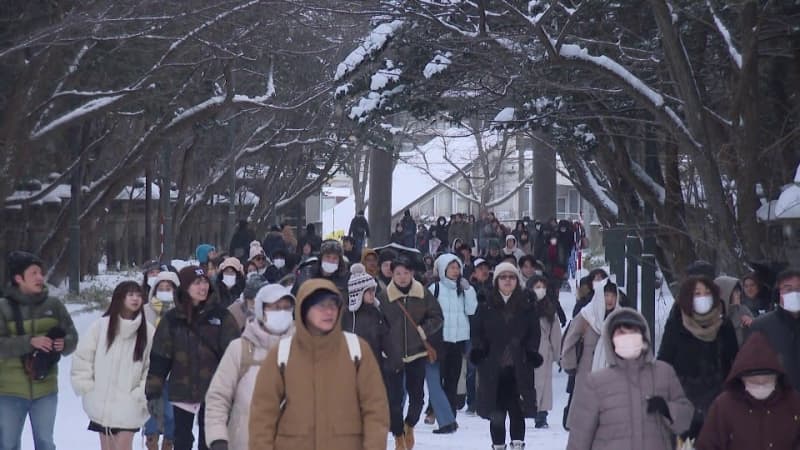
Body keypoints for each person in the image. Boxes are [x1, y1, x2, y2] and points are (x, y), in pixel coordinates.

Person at [248, 280, 389, 450]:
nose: (329, 311)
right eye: (321, 306)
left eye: (333, 305)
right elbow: (263, 415)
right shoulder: (282, 353)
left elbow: (375, 409)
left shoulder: (357, 350)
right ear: (304, 308)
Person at [566, 308, 693, 450]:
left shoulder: (664, 373)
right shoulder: (596, 383)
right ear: (611, 340)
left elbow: (686, 419)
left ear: (643, 336)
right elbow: (580, 438)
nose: (627, 338)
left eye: (633, 333)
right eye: (621, 333)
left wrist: (668, 409)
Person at [146, 266, 240, 450]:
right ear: (185, 287)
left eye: (205, 282)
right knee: (182, 441)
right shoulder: (172, 319)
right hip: (182, 388)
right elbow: (160, 357)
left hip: (214, 391)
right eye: (197, 283)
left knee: (209, 441)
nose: (202, 287)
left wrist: (236, 387)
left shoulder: (222, 316)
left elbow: (235, 354)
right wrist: (153, 391)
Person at [0, 251, 78, 450]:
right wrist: (30, 342)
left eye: (40, 273)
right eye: (33, 273)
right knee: (8, 444)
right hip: (9, 390)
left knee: (45, 442)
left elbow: (72, 336)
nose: (40, 277)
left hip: (45, 388)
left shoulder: (54, 305)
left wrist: (65, 344)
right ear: (19, 278)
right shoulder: (3, 307)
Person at [205, 284, 295, 450]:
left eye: (286, 308)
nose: (281, 312)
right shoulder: (240, 349)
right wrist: (218, 438)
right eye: (275, 308)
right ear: (261, 309)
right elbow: (218, 397)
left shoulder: (302, 350)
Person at [71, 281, 155, 450]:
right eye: (130, 295)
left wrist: (140, 393)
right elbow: (83, 358)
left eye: (139, 295)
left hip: (130, 405)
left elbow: (151, 367)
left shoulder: (148, 331)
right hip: (102, 403)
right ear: (119, 298)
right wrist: (88, 388)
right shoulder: (100, 326)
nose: (135, 299)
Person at [657, 275, 739, 441]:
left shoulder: (724, 326)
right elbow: (664, 363)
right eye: (697, 293)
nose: (703, 298)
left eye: (707, 293)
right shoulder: (677, 325)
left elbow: (735, 363)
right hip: (684, 407)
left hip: (719, 407)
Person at [470, 262, 542, 450]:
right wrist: (479, 350)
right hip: (493, 366)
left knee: (517, 410)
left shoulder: (527, 304)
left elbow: (534, 332)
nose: (507, 281)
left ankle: (518, 445)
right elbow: (477, 332)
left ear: (517, 280)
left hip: (519, 366)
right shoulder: (485, 304)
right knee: (497, 412)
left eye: (511, 277)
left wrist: (531, 352)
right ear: (496, 281)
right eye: (503, 277)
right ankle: (498, 445)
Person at [378, 256, 444, 450]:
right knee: (394, 399)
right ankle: (398, 434)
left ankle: (410, 425)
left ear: (412, 273)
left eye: (406, 273)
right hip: (392, 356)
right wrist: (385, 343)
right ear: (392, 274)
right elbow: (378, 323)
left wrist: (424, 329)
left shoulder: (422, 293)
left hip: (417, 353)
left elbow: (438, 316)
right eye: (398, 273)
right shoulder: (383, 297)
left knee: (417, 398)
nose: (402, 277)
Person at [696, 331, 800, 450]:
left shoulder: (794, 402)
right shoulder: (724, 406)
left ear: (777, 378)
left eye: (766, 381)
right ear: (742, 379)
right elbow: (707, 445)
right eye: (754, 382)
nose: (761, 385)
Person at [561, 278, 619, 429]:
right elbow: (570, 339)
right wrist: (569, 364)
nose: (610, 299)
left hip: (612, 371)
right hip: (586, 369)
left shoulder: (621, 317)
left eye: (613, 295)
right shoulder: (587, 315)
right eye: (606, 295)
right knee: (584, 412)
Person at [429, 254, 478, 418]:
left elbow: (471, 310)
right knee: (439, 378)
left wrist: (469, 290)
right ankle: (436, 410)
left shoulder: (463, 290)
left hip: (458, 341)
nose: (455, 271)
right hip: (440, 340)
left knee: (453, 380)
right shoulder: (434, 288)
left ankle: (449, 415)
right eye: (452, 267)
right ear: (444, 269)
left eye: (457, 268)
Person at [142, 271, 180, 449]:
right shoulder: (145, 311)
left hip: (175, 370)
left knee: (171, 413)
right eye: (161, 288)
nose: (165, 291)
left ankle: (169, 441)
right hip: (151, 369)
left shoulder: (182, 312)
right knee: (151, 410)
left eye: (169, 288)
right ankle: (151, 441)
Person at [342, 264, 401, 374]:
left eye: (373, 290)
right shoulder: (346, 316)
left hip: (374, 368)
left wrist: (395, 361)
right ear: (358, 293)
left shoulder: (376, 313)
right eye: (368, 291)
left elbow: (387, 339)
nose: (372, 294)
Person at [748, 268, 800, 391]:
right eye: (788, 289)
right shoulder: (761, 326)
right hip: (778, 402)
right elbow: (751, 368)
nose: (795, 293)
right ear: (779, 293)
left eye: (799, 288)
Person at [528, 275, 562, 429]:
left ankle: (542, 414)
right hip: (527, 349)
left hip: (544, 349)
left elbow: (555, 333)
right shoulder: (523, 306)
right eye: (537, 286)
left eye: (542, 286)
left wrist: (556, 353)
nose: (540, 290)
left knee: (544, 383)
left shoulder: (550, 309)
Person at [714, 276, 753, 346]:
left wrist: (752, 324)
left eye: (739, 290)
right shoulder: (712, 315)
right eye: (735, 291)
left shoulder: (743, 310)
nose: (739, 293)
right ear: (725, 292)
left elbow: (756, 336)